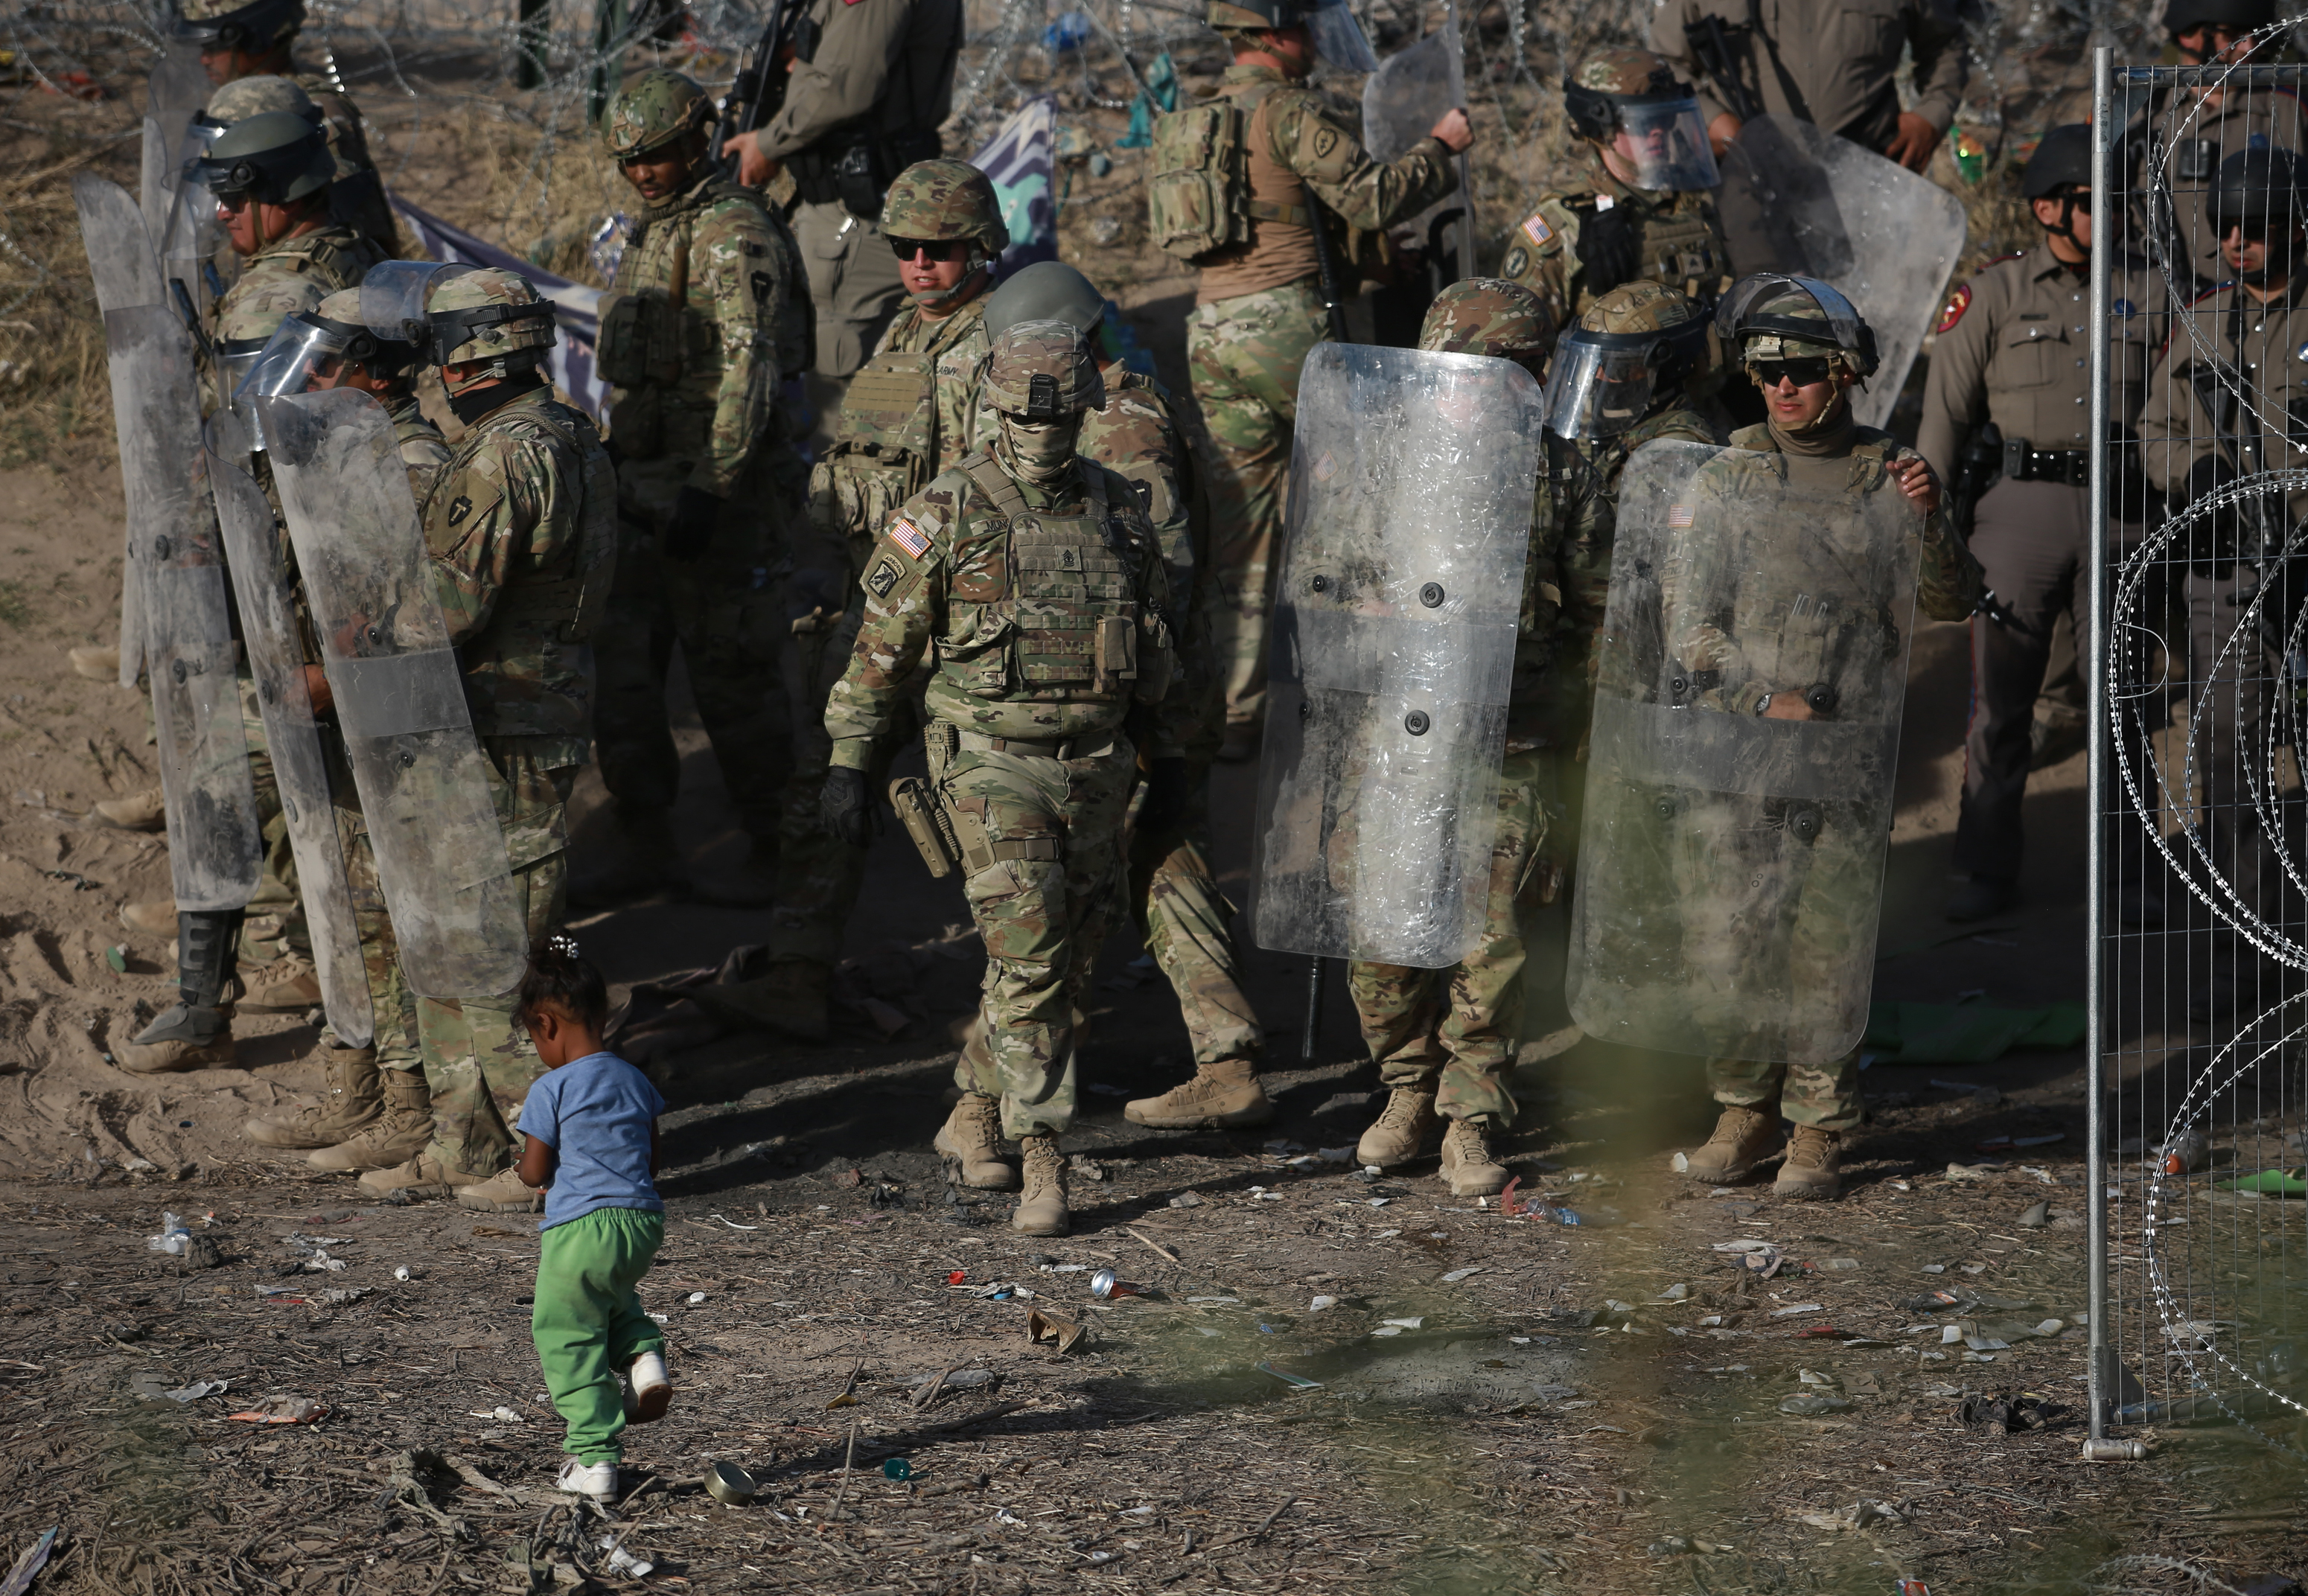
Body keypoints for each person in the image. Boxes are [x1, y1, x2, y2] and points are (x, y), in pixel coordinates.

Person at [1345, 280, 1728, 1192]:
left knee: (1491, 938)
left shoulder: (1556, 471)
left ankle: (1468, 1116)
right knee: (1384, 941)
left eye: (1512, 370)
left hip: (1512, 741)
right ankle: (1405, 1085)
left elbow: (1599, 609)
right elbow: (1328, 581)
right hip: (1401, 738)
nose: (1491, 386)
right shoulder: (1384, 464)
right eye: (1476, 370)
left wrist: (1586, 732)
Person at [820, 320, 1187, 1236]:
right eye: (1026, 417)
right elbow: (879, 653)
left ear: (1084, 413)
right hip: (989, 763)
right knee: (1028, 958)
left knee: (1069, 964)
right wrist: (847, 763)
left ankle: (974, 1109)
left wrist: (1169, 758)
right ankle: (1043, 1158)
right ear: (995, 409)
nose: (1041, 433)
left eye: (1058, 416)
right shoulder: (947, 511)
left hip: (1098, 769)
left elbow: (1154, 653)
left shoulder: (1120, 513)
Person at [1672, 276, 1983, 1199]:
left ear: (1844, 374)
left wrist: (1929, 523)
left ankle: (1818, 1129)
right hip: (1741, 753)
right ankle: (1742, 1107)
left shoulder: (1890, 475)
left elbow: (1951, 603)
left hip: (1846, 759)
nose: (1778, 387)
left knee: (1827, 943)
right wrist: (1761, 699)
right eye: (1763, 370)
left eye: (1800, 371)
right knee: (1734, 936)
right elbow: (1687, 628)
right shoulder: (1726, 477)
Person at [692, 159, 1008, 1041]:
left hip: (957, 614)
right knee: (825, 782)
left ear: (979, 246)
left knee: (989, 805)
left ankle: (1019, 1005)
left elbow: (992, 495)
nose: (918, 262)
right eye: (905, 246)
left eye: (939, 248)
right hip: (877, 603)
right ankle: (796, 972)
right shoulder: (903, 334)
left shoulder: (996, 344)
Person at [115, 106, 392, 1073]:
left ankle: (205, 1003)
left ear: (280, 193)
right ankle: (320, 954)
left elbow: (245, 448)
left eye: (235, 196)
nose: (225, 215)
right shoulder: (357, 254)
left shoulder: (276, 294)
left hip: (285, 568)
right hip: (339, 562)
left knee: (219, 770)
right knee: (321, 783)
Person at [979, 261, 1271, 1130]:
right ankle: (1226, 1056)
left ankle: (1012, 1090)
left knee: (1075, 882)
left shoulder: (1118, 423)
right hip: (1151, 685)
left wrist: (1150, 714)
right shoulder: (1126, 400)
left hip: (1140, 690)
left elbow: (1164, 571)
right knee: (1160, 860)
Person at [351, 267, 619, 1212]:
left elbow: (448, 607)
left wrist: (357, 638)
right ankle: (465, 1146)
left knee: (497, 955)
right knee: (450, 942)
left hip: (502, 727)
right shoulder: (573, 433)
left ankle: (567, 1167)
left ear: (466, 355)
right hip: (511, 720)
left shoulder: (504, 453)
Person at [1156, 0, 1470, 758]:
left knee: (1244, 532)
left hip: (1211, 334)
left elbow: (1280, 219)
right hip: (1285, 331)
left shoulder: (1197, 123)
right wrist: (1440, 145)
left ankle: (1236, 711)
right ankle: (1386, 682)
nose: (1312, 44)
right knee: (1372, 498)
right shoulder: (1287, 112)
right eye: (1301, 29)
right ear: (1270, 35)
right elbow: (1373, 195)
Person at [1920, 126, 2166, 924]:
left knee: (2124, 695)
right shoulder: (1994, 293)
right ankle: (1984, 866)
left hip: (2124, 507)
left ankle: (2131, 871)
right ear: (2049, 208)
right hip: (2019, 508)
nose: (2116, 216)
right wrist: (1929, 523)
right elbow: (1944, 416)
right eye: (2097, 203)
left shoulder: (2155, 290)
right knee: (2001, 697)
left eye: (2121, 200)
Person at [578, 68, 806, 907]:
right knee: (627, 674)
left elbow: (751, 365)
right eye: (632, 159)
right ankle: (646, 838)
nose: (644, 170)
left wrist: (712, 487)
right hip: (641, 492)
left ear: (697, 140)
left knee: (732, 675)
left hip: (719, 501)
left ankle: (779, 849)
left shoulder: (731, 232)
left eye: (660, 154)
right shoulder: (654, 233)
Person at [237, 285, 448, 1158]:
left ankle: (407, 1109)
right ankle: (355, 1085)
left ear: (379, 373)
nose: (312, 375)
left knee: (386, 916)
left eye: (332, 361)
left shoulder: (414, 461)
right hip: (333, 711)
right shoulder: (336, 449)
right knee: (343, 906)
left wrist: (337, 674)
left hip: (389, 722)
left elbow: (430, 610)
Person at [2135, 148, 2308, 977]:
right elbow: (2153, 431)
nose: (2238, 243)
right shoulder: (2205, 321)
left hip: (2306, 565)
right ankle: (2243, 953)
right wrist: (2196, 475)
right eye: (2227, 228)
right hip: (2226, 571)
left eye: (2257, 228)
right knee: (2226, 759)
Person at [718, 0, 963, 403]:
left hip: (855, 219)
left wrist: (768, 144)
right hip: (880, 204)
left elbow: (846, 83)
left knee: (834, 394)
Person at [511, 934, 670, 1503]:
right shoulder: (634, 1079)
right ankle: (645, 1358)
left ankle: (595, 1458)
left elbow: (534, 1173)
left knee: (565, 1332)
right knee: (608, 1297)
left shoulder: (549, 1088)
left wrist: (528, 1165)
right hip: (641, 1222)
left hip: (579, 1229)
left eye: (533, 1037)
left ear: (546, 1025)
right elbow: (652, 1160)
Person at [1498, 51, 1732, 336]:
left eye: (1666, 118)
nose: (1658, 131)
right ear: (1599, 130)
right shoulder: (1566, 223)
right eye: (1643, 122)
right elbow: (1517, 342)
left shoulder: (1698, 199)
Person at [173, 0, 401, 258]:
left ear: (256, 38)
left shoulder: (311, 109)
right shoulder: (230, 103)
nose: (205, 59)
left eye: (216, 47)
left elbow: (323, 206)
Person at [1647, 0, 1965, 172]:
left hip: (1867, 181)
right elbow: (1662, 63)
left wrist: (1931, 116)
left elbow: (1945, 45)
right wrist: (1716, 123)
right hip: (1751, 188)